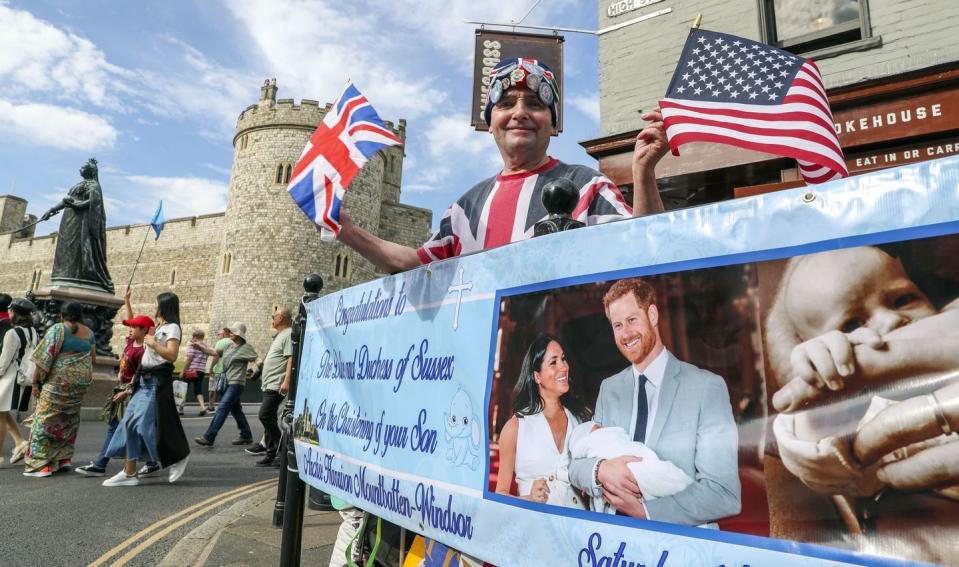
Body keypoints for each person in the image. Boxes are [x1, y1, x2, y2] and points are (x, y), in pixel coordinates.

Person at [336, 58, 667, 273]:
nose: (520, 112)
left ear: (552, 124)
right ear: (491, 123)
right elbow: (413, 264)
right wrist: (346, 230)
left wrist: (643, 173)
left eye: (535, 104)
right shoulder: (465, 210)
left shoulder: (588, 186)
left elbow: (642, 252)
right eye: (506, 104)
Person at [763, 246, 959, 493]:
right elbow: (828, 471)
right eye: (853, 323)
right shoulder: (863, 412)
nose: (891, 320)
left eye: (903, 299)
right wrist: (821, 412)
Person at [569, 278, 741, 526]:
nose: (625, 333)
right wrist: (600, 471)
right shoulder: (609, 389)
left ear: (652, 314)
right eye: (617, 325)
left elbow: (724, 494)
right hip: (615, 544)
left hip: (679, 545)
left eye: (632, 320)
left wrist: (645, 512)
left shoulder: (706, 387)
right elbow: (575, 466)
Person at [102, 292, 190, 486]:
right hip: (143, 381)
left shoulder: (173, 328)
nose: (153, 305)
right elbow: (135, 325)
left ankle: (177, 455)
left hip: (156, 382)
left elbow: (172, 355)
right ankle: (129, 472)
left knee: (143, 427)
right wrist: (130, 387)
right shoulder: (158, 327)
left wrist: (154, 344)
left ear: (164, 306)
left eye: (156, 303)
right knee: (128, 425)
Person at [495, 333, 590, 508]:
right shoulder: (515, 427)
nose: (563, 367)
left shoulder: (581, 419)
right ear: (537, 376)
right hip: (534, 529)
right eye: (553, 362)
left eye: (563, 359)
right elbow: (500, 495)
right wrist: (530, 499)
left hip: (576, 528)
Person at [76, 288, 155, 477]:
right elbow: (130, 318)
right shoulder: (131, 341)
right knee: (127, 428)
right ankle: (153, 461)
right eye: (130, 326)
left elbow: (140, 375)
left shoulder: (145, 350)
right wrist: (127, 301)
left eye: (134, 327)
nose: (130, 328)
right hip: (121, 388)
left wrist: (127, 391)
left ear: (144, 331)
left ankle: (102, 464)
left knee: (122, 428)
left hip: (131, 391)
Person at [23, 301, 96, 477]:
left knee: (44, 419)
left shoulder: (58, 329)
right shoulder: (89, 333)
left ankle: (41, 465)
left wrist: (35, 382)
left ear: (62, 315)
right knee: (68, 418)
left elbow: (43, 358)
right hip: (78, 386)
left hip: (58, 384)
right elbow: (92, 359)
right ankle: (63, 459)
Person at [195, 322, 256, 447]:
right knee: (236, 410)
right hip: (226, 383)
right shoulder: (228, 346)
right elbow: (214, 352)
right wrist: (200, 348)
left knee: (222, 407)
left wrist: (258, 369)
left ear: (239, 335)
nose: (230, 333)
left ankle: (209, 436)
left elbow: (257, 359)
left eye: (233, 332)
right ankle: (246, 435)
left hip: (236, 383)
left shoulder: (247, 348)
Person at [250, 306, 293, 466]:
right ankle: (271, 453)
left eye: (274, 315)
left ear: (281, 318)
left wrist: (286, 381)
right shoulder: (279, 335)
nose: (272, 317)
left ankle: (282, 450)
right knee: (271, 417)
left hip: (277, 384)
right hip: (269, 383)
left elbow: (291, 358)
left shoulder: (288, 334)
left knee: (265, 415)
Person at [0, 298, 38, 465]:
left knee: (0, 415)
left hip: (9, 378)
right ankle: (20, 442)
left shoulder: (12, 333)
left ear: (14, 313)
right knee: (3, 413)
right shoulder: (34, 332)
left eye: (10, 310)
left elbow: (4, 361)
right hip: (24, 377)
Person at [181, 329, 211, 416]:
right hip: (201, 370)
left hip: (191, 370)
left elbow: (189, 359)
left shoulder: (192, 345)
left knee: (183, 389)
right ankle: (202, 406)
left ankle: (180, 408)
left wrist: (183, 371)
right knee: (198, 389)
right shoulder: (205, 346)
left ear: (194, 337)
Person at [205, 327, 234, 412]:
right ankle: (227, 406)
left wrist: (210, 368)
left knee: (212, 388)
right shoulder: (233, 342)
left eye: (219, 334)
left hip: (218, 370)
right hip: (229, 370)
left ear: (224, 334)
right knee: (226, 389)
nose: (217, 336)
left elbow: (216, 356)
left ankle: (211, 406)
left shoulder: (220, 342)